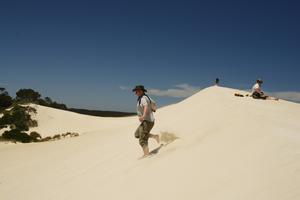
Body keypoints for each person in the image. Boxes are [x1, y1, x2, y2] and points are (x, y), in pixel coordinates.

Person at [132, 85, 160, 158]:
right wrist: (154, 108)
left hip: (147, 121)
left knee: (142, 140)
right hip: (147, 121)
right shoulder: (146, 97)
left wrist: (143, 116)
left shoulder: (143, 98)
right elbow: (154, 103)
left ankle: (146, 154)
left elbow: (146, 106)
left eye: (137, 91)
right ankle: (155, 136)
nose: (135, 93)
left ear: (141, 91)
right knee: (137, 134)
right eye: (135, 91)